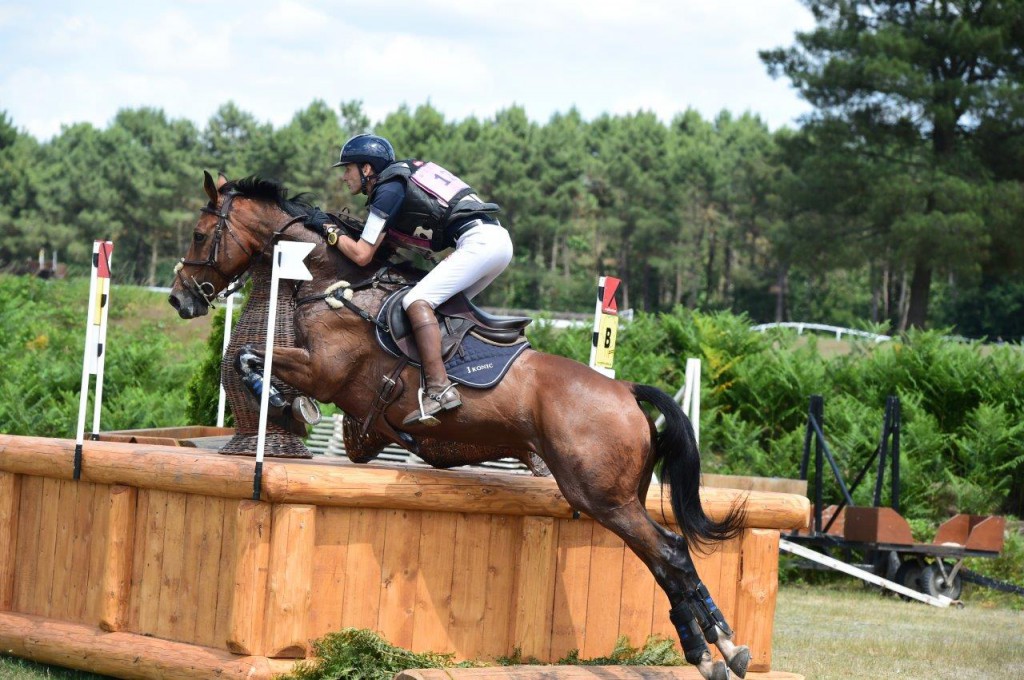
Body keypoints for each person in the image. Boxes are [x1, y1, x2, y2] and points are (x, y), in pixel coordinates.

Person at [327, 133, 513, 427]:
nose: (344, 177)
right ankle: (465, 376)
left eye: (347, 169)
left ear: (367, 169)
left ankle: (438, 390)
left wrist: (329, 233)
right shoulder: (400, 180)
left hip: (479, 242)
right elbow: (382, 249)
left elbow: (362, 255)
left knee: (416, 300)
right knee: (441, 310)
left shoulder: (389, 188)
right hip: (495, 242)